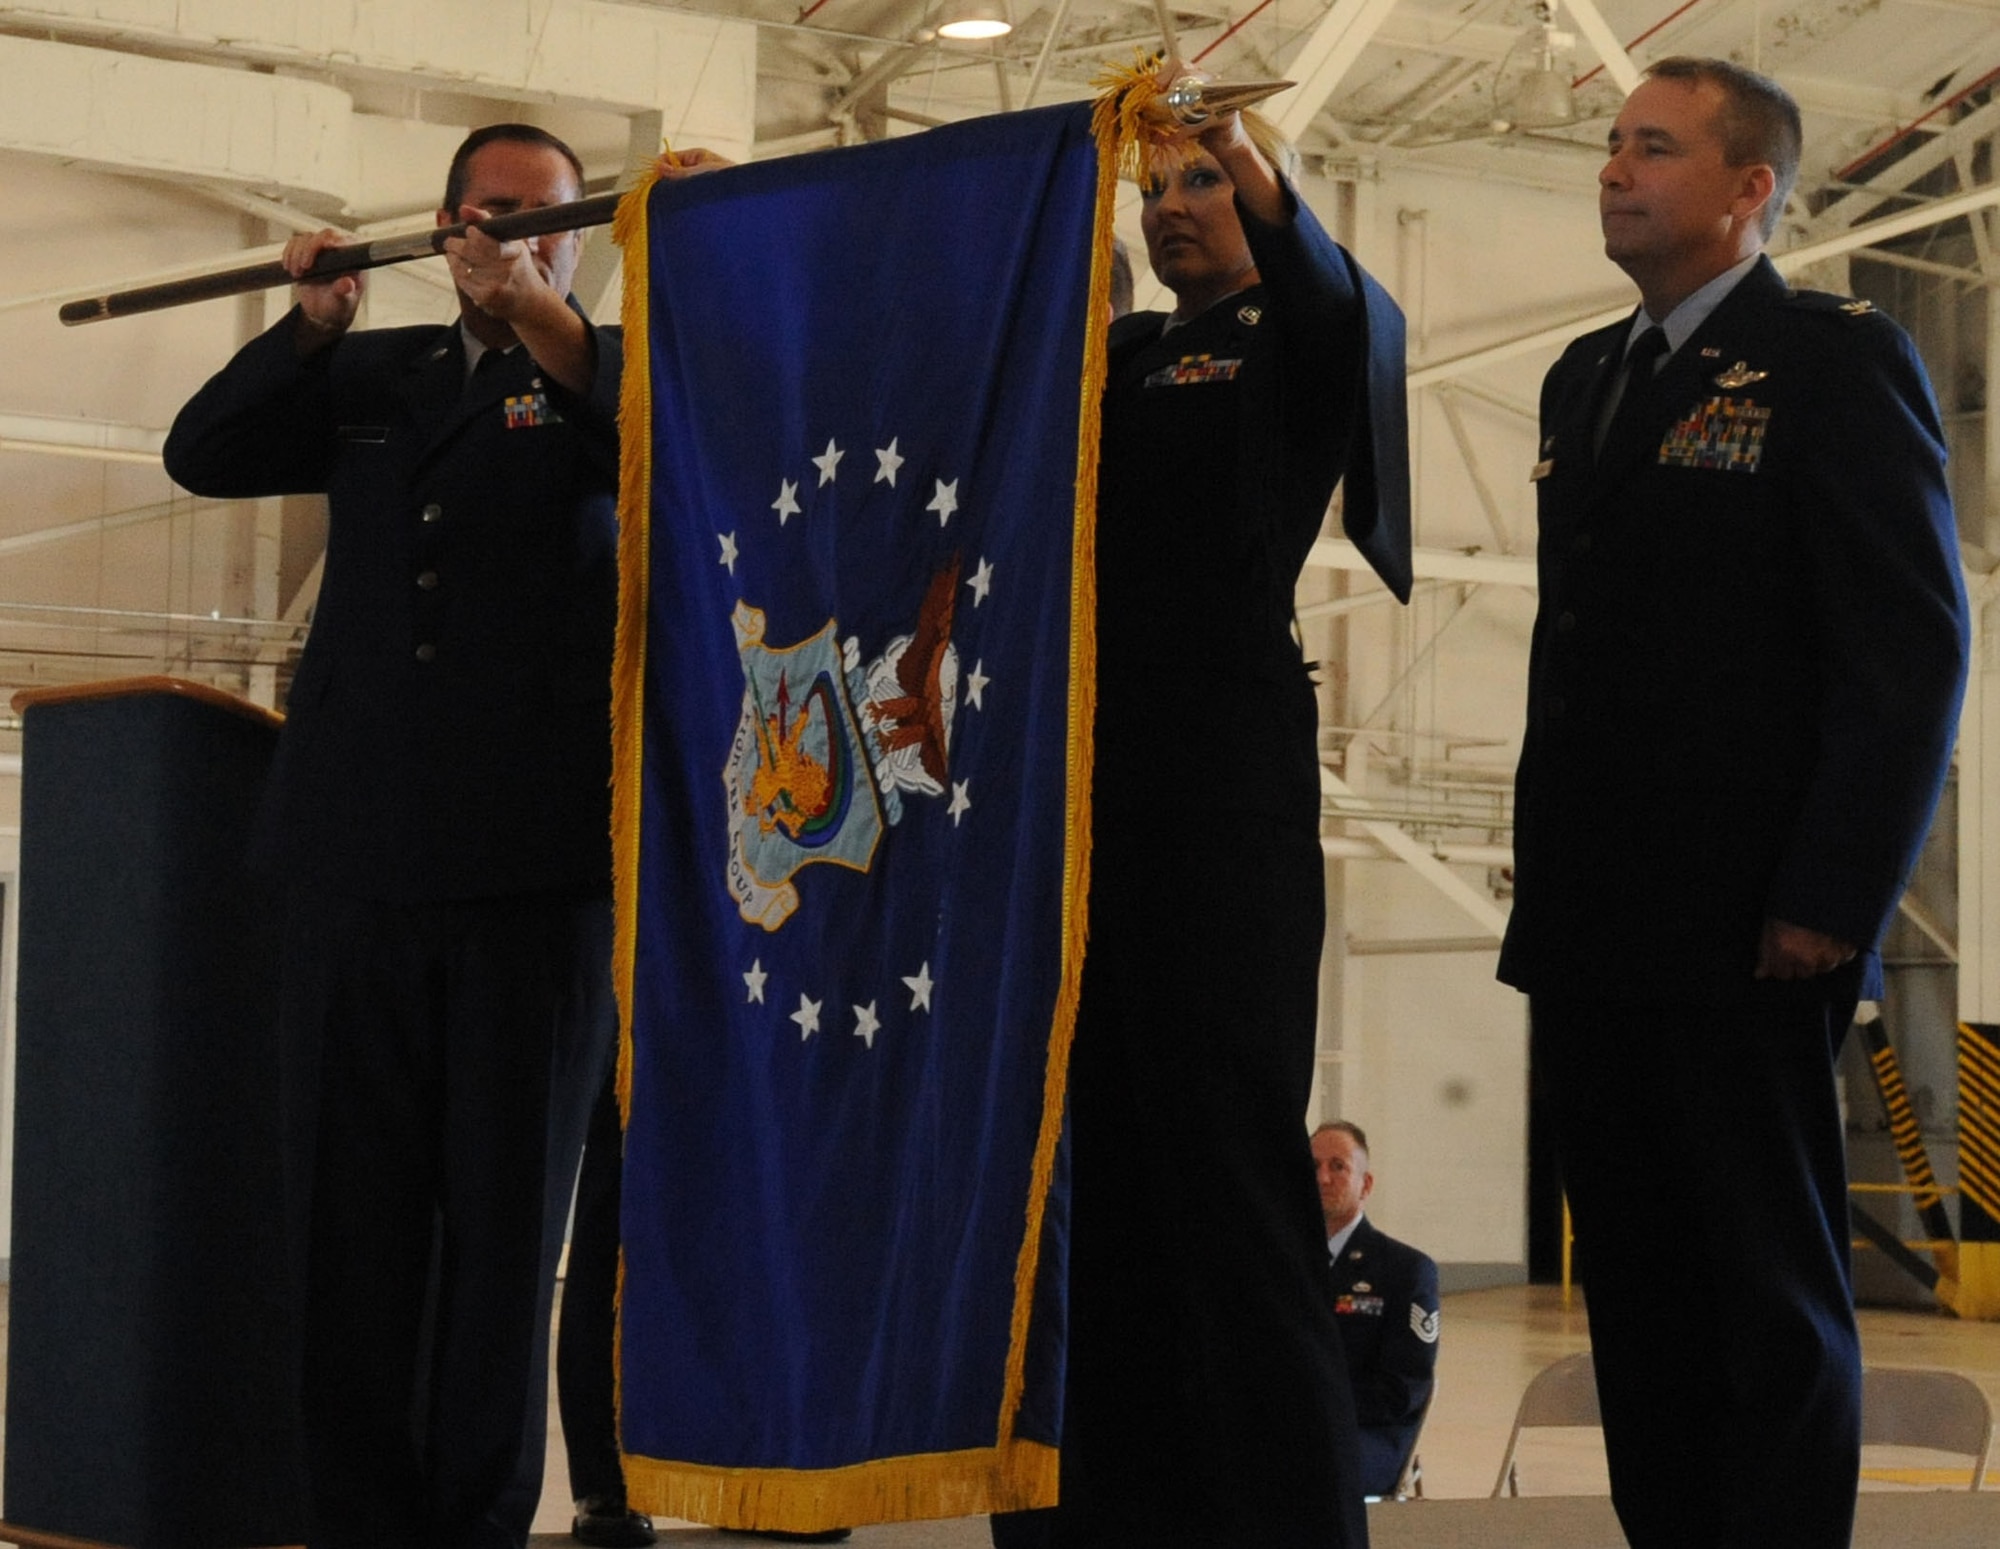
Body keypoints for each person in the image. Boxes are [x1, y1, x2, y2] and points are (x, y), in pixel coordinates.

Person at [1498, 56, 1970, 1549]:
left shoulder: (1833, 359)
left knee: (1757, 1281)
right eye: (1611, 146)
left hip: (1750, 919)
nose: (1614, 170)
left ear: (1749, 189)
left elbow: (1908, 649)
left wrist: (1834, 893)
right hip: (1595, 922)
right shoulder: (1590, 375)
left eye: (1654, 147)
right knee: (1635, 1282)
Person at [164, 124, 624, 1549]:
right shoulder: (385, 377)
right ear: (443, 227)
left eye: (549, 221)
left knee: (500, 1238)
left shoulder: (619, 377)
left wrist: (541, 313)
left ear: (574, 238)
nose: (517, 239)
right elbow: (205, 454)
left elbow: (664, 457)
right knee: (348, 1232)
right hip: (357, 860)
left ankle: (475, 1521)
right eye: (493, 215)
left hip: (529, 879)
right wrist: (305, 332)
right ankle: (356, 1519)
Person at [1008, 86, 1409, 1549]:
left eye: (1204, 183)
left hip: (1217, 790)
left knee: (1233, 1173)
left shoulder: (1298, 340)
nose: (1174, 205)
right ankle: (1111, 1505)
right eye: (1157, 185)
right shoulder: (1115, 354)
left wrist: (1255, 154)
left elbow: (1345, 314)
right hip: (1077, 794)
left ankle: (1298, 1519)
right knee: (1097, 1169)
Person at [1310, 1123, 1439, 1497]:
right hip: (1296, 1427)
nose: (1322, 1178)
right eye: (1313, 1166)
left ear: (1365, 1185)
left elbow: (1402, 1391)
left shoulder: (1405, 1270)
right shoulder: (1282, 1266)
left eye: (1338, 1167)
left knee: (1305, 1471)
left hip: (1369, 1434)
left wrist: (1316, 1410)